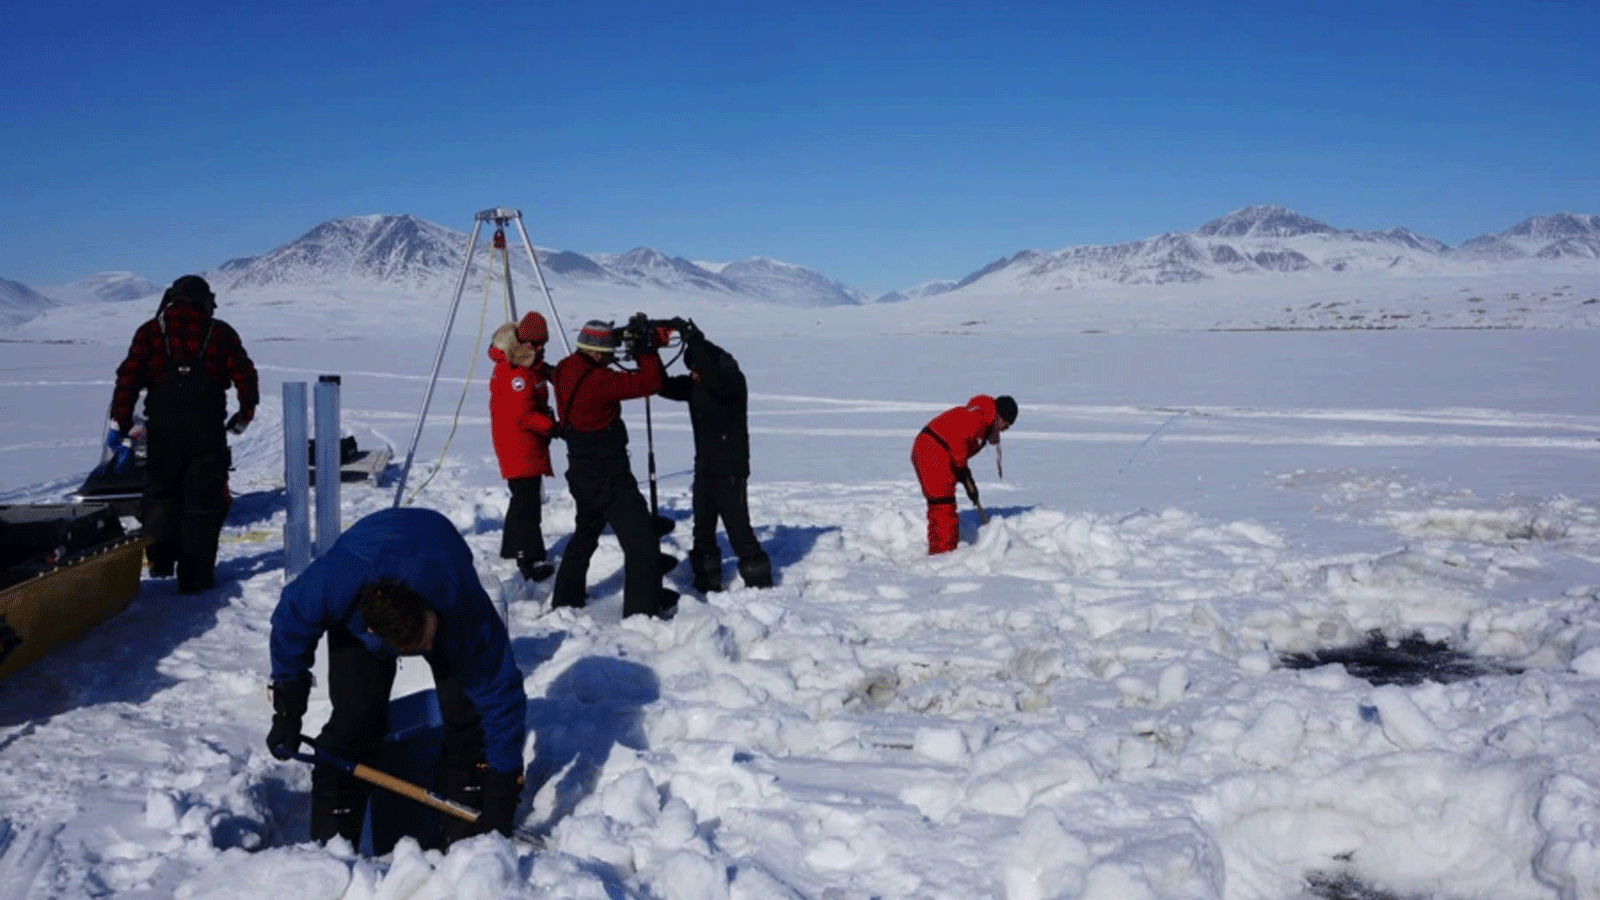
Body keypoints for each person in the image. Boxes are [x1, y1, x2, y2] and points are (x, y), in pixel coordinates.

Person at [265, 506, 528, 847]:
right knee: (356, 722)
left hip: (435, 551)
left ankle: (467, 829)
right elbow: (291, 620)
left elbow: (500, 693)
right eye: (411, 648)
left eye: (425, 642)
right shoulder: (337, 582)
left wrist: (503, 784)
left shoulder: (461, 604)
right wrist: (288, 709)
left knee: (469, 718)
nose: (422, 651)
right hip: (368, 565)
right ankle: (333, 841)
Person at [109, 274, 258, 593]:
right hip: (206, 432)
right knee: (202, 503)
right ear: (202, 301)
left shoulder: (149, 332)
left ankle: (161, 561)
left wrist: (120, 422)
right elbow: (246, 376)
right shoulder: (219, 333)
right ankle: (196, 577)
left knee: (161, 494)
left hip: (163, 432)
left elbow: (128, 379)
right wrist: (244, 416)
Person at [549, 317, 678, 618]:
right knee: (642, 543)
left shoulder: (566, 368)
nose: (611, 359)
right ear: (595, 353)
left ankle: (566, 600)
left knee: (585, 535)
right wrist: (647, 351)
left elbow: (553, 373)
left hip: (580, 472)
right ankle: (642, 611)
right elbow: (651, 383)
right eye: (608, 353)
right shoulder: (598, 381)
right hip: (609, 476)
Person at [658, 321, 773, 592]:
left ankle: (760, 585)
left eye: (696, 370)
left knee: (739, 531)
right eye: (691, 372)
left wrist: (695, 340)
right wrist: (649, 352)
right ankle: (706, 581)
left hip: (731, 469)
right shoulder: (699, 383)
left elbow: (713, 380)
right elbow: (661, 386)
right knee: (703, 532)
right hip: (705, 467)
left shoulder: (731, 381)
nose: (694, 376)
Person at [488, 311, 558, 582]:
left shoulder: (526, 363)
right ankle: (527, 558)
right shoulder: (515, 371)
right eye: (537, 344)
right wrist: (554, 427)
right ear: (523, 341)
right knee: (526, 503)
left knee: (522, 499)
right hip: (518, 443)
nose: (541, 350)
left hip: (522, 442)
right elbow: (524, 414)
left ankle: (513, 549)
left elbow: (541, 375)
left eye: (543, 345)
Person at [911, 394, 1017, 555]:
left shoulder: (982, 417)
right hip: (933, 451)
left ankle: (939, 550)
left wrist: (967, 479)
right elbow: (959, 438)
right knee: (943, 506)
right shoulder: (978, 417)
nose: (1004, 429)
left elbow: (960, 445)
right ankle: (942, 555)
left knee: (940, 505)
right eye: (1006, 424)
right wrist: (961, 467)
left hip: (934, 450)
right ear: (1000, 417)